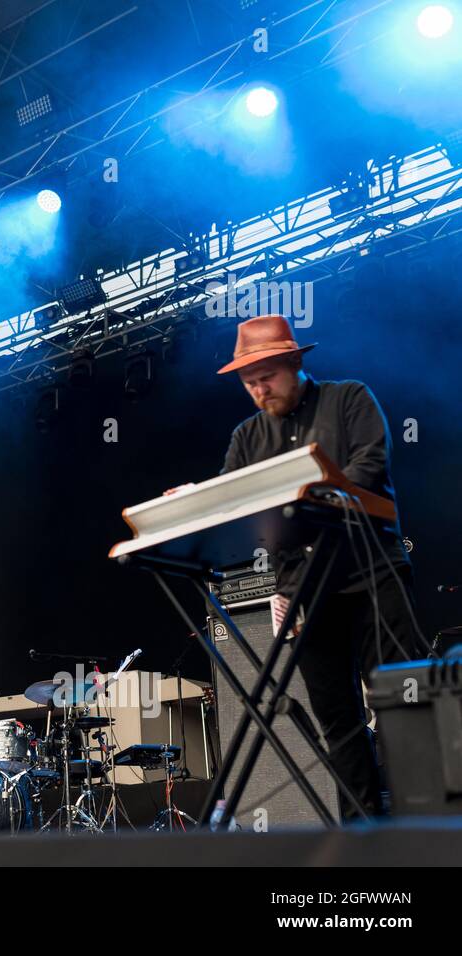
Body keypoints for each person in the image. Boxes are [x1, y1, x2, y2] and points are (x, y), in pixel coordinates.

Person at [171, 314, 428, 820]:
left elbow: (367, 468)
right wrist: (198, 501)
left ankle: (424, 821)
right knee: (337, 718)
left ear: (294, 363)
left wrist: (305, 498)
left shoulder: (349, 398)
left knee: (402, 700)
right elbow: (234, 502)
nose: (259, 389)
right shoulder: (246, 438)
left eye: (266, 377)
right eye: (249, 383)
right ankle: (363, 832)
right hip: (306, 590)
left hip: (371, 572)